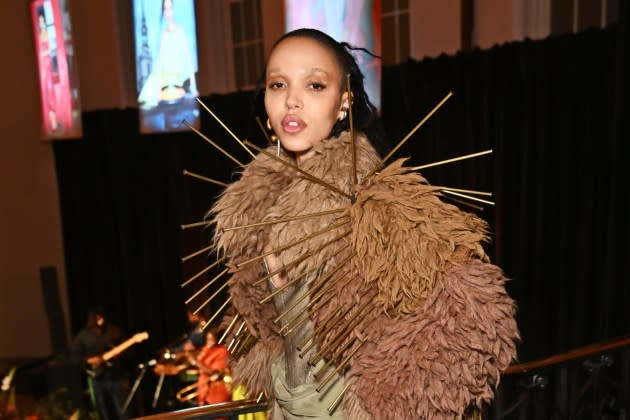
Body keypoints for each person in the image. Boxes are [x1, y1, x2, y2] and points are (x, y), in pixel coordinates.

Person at [209, 28, 519, 419]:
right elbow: (271, 335)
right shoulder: (256, 211)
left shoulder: (378, 207)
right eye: (278, 84)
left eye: (315, 85)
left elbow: (475, 313)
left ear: (344, 102)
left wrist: (390, 399)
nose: (292, 100)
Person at [70, 305, 130, 420]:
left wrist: (119, 353)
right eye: (96, 318)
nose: (100, 320)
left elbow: (128, 351)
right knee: (104, 411)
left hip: (117, 377)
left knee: (123, 410)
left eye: (101, 317)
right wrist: (88, 360)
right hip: (97, 379)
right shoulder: (83, 337)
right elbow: (75, 357)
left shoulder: (114, 331)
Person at [138, 0, 198, 108]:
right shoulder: (164, 34)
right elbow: (160, 60)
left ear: (173, 10)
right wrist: (157, 84)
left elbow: (188, 58)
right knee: (147, 95)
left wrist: (194, 87)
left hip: (176, 76)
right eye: (165, 9)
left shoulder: (180, 30)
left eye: (170, 8)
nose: (168, 12)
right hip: (164, 75)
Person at [196, 328, 231, 407]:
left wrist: (197, 363)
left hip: (217, 391)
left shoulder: (222, 351)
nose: (209, 342)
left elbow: (214, 372)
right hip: (204, 390)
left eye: (211, 339)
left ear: (217, 340)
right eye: (207, 339)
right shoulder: (205, 350)